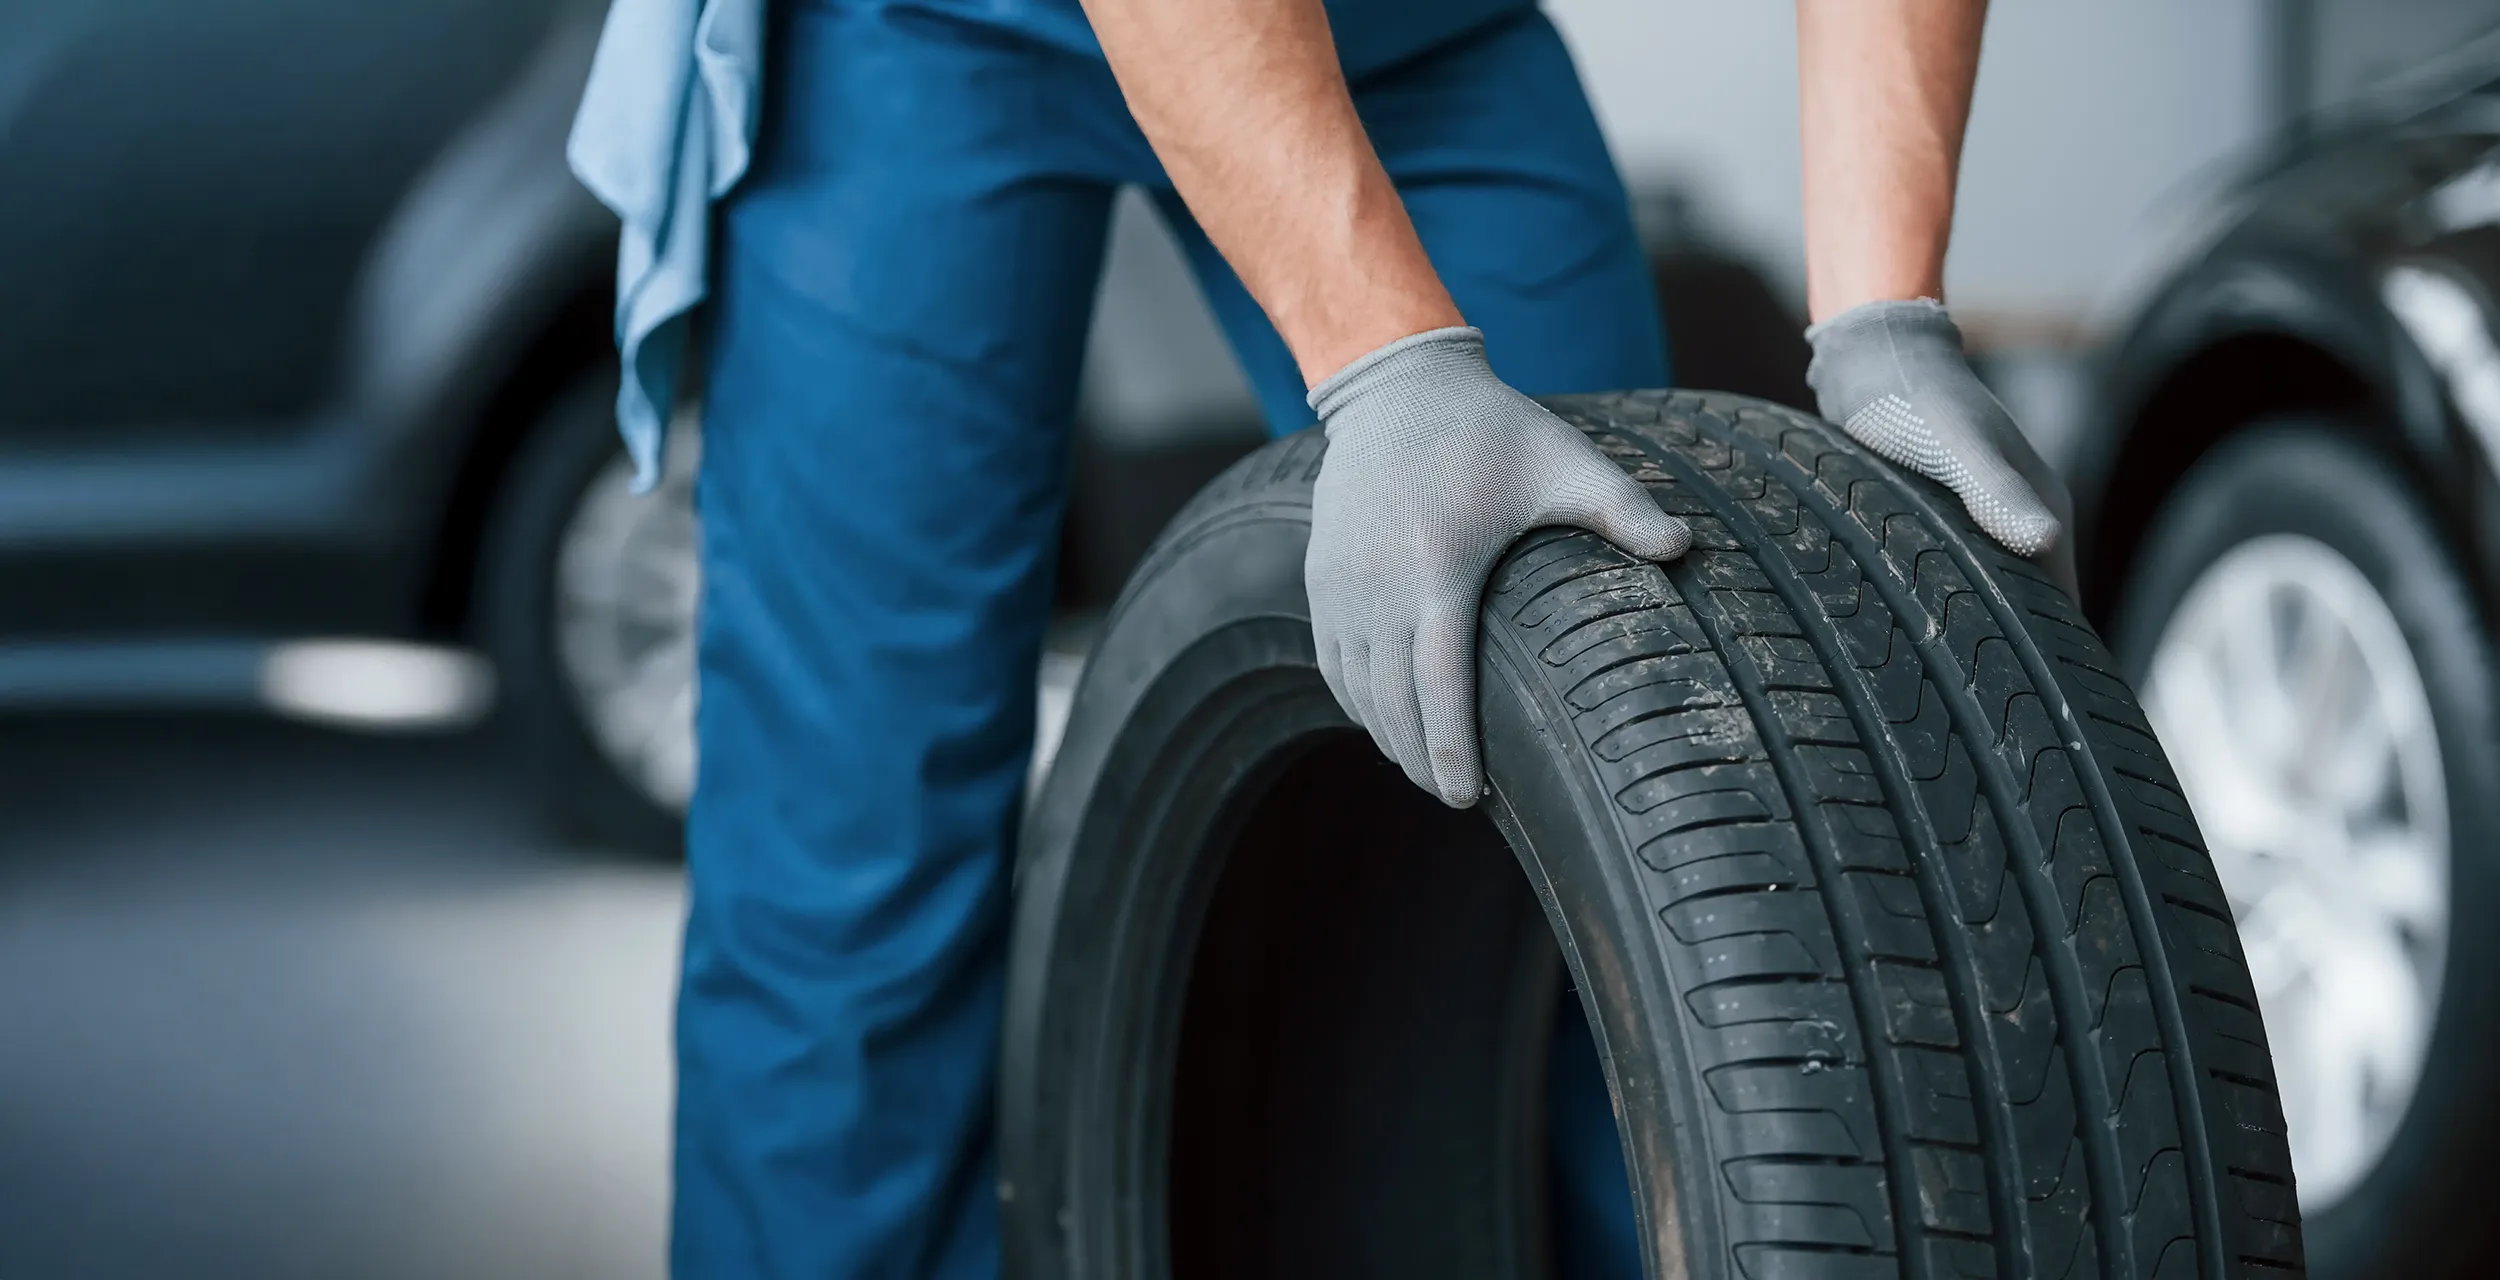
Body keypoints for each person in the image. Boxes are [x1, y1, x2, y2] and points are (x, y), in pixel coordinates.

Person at [566, 0, 2072, 1275]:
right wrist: (1389, 363)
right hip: (908, 33)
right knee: (848, 858)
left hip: (1417, 26)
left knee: (1652, 771)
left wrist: (1883, 313)